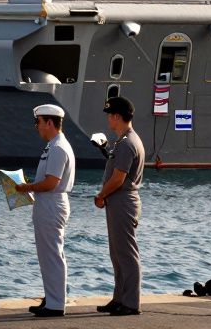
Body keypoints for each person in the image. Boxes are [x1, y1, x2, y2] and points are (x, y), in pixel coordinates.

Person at [15, 103, 75, 317]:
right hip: (47, 202)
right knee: (48, 254)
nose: (37, 127)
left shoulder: (58, 148)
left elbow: (51, 182)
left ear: (49, 122)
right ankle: (52, 298)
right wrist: (32, 186)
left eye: (38, 122)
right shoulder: (54, 145)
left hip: (52, 202)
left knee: (52, 255)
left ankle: (56, 304)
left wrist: (27, 187)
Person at [94, 96, 145, 317]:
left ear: (117, 116)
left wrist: (101, 195)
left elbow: (118, 178)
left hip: (122, 200)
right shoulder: (126, 140)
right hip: (120, 201)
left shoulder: (126, 144)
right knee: (117, 253)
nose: (108, 120)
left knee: (126, 253)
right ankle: (119, 298)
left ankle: (131, 302)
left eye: (109, 116)